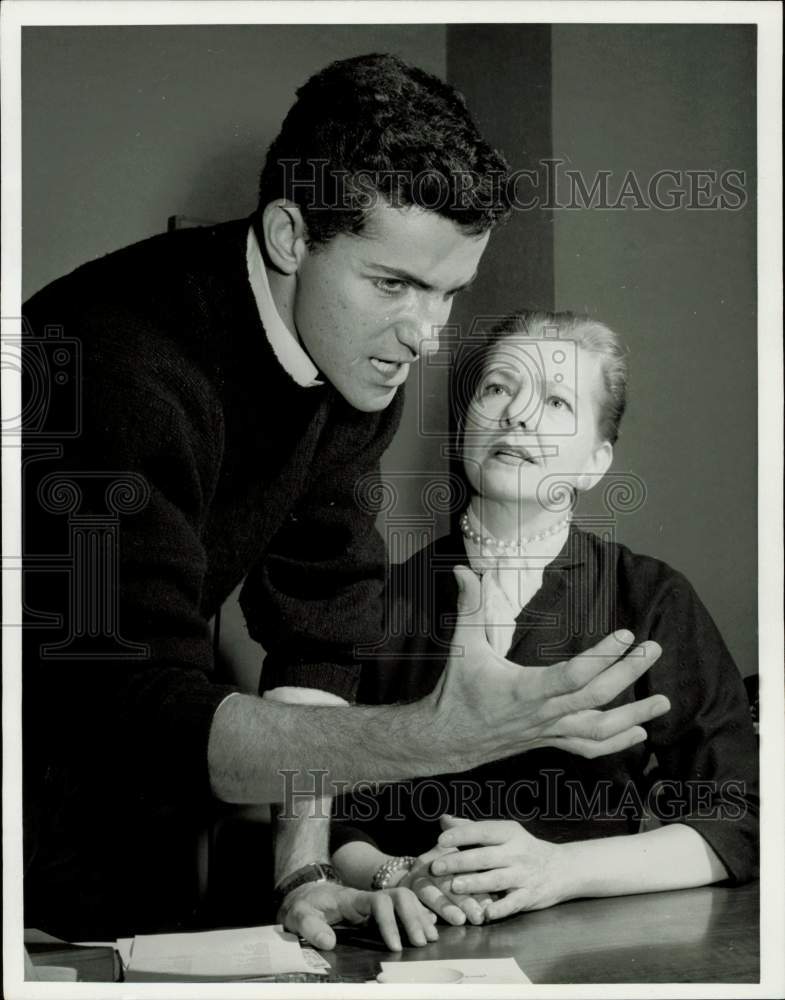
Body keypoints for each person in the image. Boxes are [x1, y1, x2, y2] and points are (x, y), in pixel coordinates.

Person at [22, 56, 668, 950]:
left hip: (111, 856)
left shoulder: (352, 362)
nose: (427, 335)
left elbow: (316, 630)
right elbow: (135, 715)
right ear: (290, 234)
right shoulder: (110, 363)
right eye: (394, 283)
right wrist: (441, 739)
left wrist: (302, 871)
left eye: (449, 290)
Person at [331, 310, 758, 932]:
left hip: (591, 952)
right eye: (499, 388)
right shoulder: (375, 600)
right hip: (409, 943)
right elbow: (326, 806)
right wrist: (395, 874)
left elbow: (742, 810)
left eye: (557, 401)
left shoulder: (650, 598)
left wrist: (558, 871)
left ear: (595, 462)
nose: (518, 415)